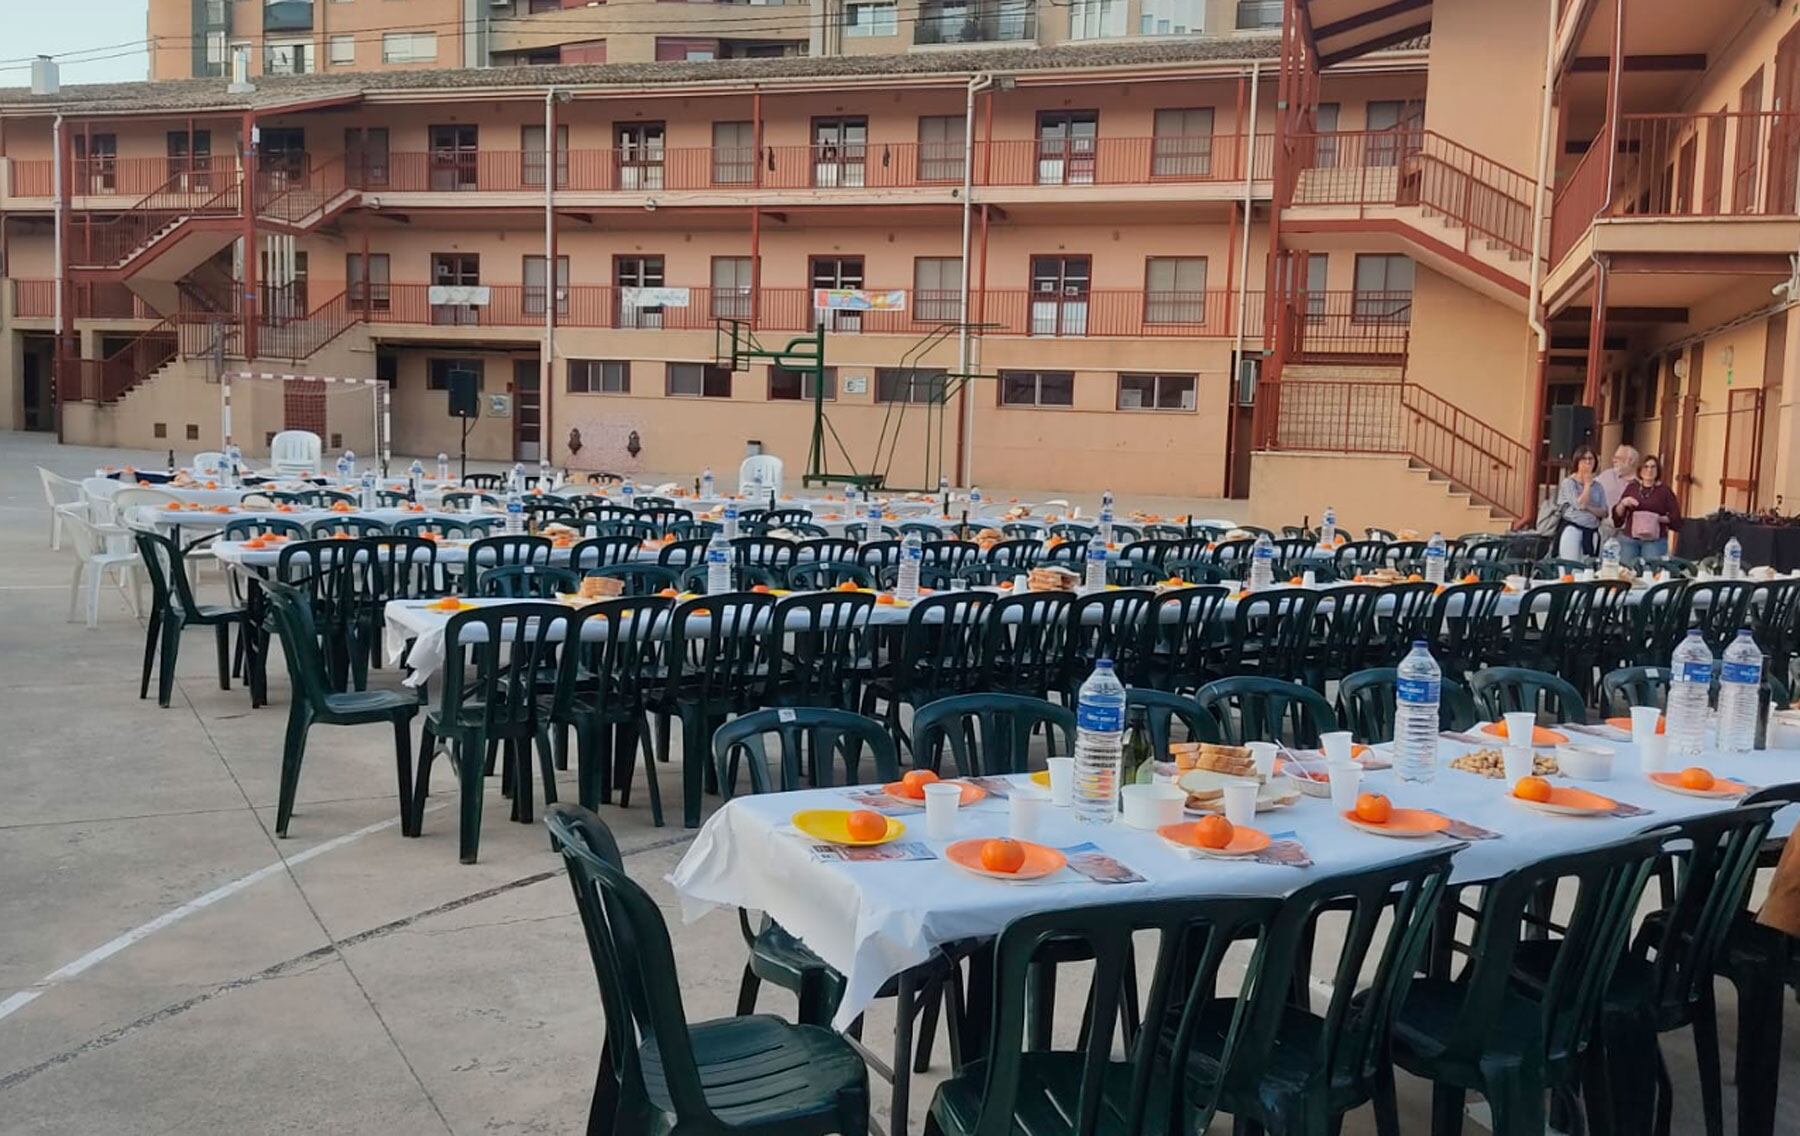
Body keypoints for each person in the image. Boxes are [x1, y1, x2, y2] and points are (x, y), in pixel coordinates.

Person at [1611, 454, 1681, 565]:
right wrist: (1623, 503)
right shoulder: (1632, 488)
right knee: (1626, 572)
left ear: (1658, 470)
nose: (1649, 470)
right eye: (1646, 467)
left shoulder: (1665, 491)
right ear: (1640, 470)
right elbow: (1618, 516)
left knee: (1651, 574)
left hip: (1654, 542)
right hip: (1630, 540)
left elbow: (1676, 517)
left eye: (1653, 467)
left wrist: (1657, 519)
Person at [1555, 446, 1608, 558]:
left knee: (1588, 568)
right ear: (1577, 462)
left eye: (1591, 459)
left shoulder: (1598, 487)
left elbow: (1604, 512)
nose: (1588, 462)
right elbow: (1579, 504)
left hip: (1592, 530)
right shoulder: (1569, 483)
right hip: (1572, 528)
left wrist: (1588, 508)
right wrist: (1587, 484)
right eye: (1584, 459)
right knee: (1571, 566)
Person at [1595, 443, 1639, 542]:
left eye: (1618, 457)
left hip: (1629, 534)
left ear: (1630, 460)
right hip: (1607, 530)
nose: (1613, 460)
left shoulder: (1641, 483)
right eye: (1614, 457)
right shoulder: (1606, 475)